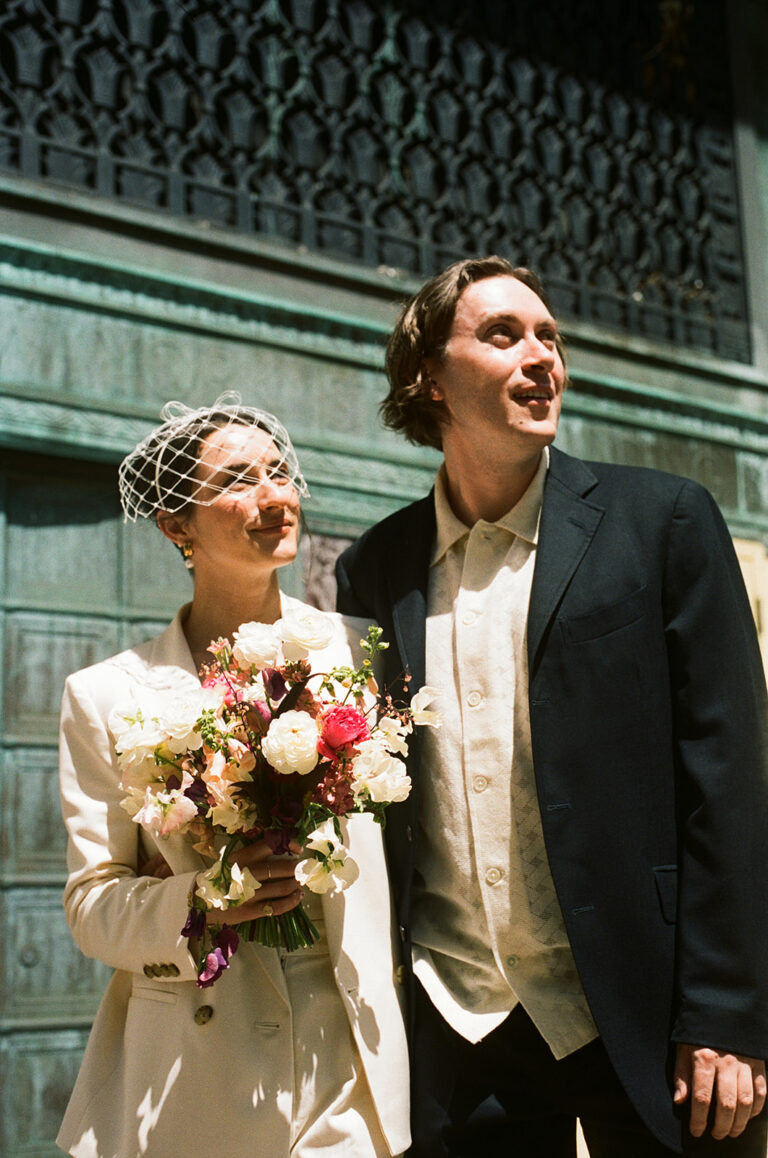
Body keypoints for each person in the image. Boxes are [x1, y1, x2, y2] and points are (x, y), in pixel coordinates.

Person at [335, 256, 768, 1157]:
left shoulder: (664, 521)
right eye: (503, 335)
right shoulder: (374, 568)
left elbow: (731, 780)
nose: (542, 358)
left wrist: (728, 1011)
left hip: (655, 1013)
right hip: (461, 1020)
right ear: (429, 377)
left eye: (549, 337)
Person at [57, 394, 410, 1158]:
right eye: (238, 481)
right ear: (176, 525)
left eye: (279, 472)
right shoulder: (109, 695)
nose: (274, 496)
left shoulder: (361, 652)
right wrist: (202, 900)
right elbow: (92, 903)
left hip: (350, 1063)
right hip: (195, 1070)